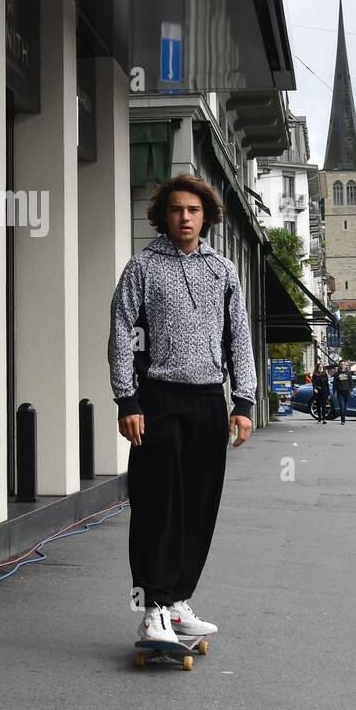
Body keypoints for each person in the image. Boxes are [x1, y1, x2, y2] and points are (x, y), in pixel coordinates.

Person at [108, 173, 255, 645]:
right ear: (163, 216)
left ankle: (177, 600)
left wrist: (244, 400)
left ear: (206, 216)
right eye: (176, 210)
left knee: (198, 506)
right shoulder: (141, 268)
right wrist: (126, 399)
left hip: (210, 401)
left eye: (193, 210)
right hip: (158, 400)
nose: (185, 217)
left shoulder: (224, 271)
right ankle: (152, 607)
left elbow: (240, 338)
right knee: (156, 503)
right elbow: (121, 336)